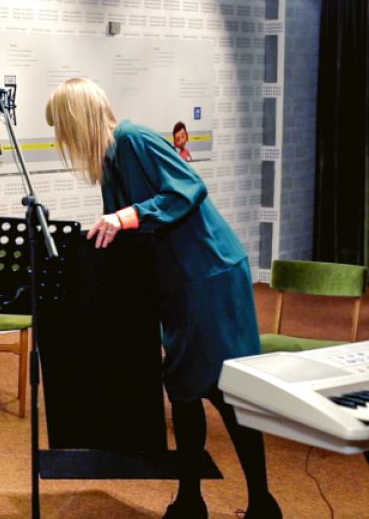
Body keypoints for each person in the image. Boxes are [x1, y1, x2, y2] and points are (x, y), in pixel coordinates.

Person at [45, 78, 281, 519]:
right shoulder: (111, 162)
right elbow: (130, 236)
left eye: (61, 125)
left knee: (226, 390)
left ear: (77, 119)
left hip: (209, 275)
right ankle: (191, 499)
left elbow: (187, 188)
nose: (62, 138)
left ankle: (262, 504)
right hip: (179, 281)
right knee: (184, 391)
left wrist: (128, 215)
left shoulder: (133, 139)